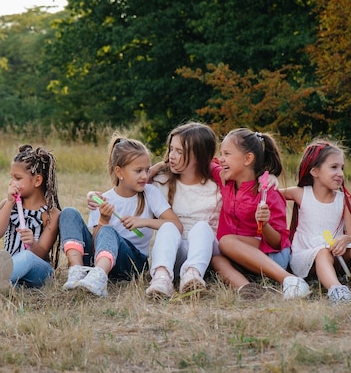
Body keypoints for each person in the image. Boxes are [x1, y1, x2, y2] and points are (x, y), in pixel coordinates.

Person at [60, 135, 183, 296]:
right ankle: (77, 271)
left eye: (147, 170)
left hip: (132, 262)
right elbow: (96, 244)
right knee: (69, 213)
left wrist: (143, 221)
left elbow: (176, 225)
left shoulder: (150, 193)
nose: (145, 176)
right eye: (138, 171)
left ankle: (99, 277)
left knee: (109, 232)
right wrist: (104, 219)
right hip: (100, 259)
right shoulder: (104, 200)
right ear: (119, 171)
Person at [210, 128, 310, 299]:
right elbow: (203, 160)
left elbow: (278, 242)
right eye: (221, 153)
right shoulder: (225, 179)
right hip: (241, 254)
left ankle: (291, 280)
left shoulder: (268, 192)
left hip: (272, 255)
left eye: (227, 153)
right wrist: (160, 165)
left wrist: (264, 225)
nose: (221, 159)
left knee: (225, 242)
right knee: (216, 259)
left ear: (248, 159)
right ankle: (248, 289)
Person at [283, 140, 351, 304]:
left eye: (342, 168)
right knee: (322, 252)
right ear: (314, 171)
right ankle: (336, 290)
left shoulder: (344, 200)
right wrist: (269, 179)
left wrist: (345, 239)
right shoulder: (301, 194)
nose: (340, 173)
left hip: (336, 253)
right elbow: (270, 194)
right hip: (307, 254)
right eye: (334, 167)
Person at [143, 122, 221, 298]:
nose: (172, 156)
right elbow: (131, 186)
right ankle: (161, 278)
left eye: (179, 152)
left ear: (199, 157)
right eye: (171, 149)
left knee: (202, 227)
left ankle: (192, 275)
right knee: (168, 226)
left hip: (203, 255)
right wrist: (154, 169)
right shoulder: (160, 181)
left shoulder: (215, 188)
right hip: (173, 253)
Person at [0, 145, 61, 292]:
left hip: (38, 270)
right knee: (10, 277)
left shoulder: (51, 214)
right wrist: (10, 203)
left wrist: (32, 243)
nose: (12, 182)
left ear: (37, 180)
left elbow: (42, 253)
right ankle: (4, 284)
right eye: (11, 177)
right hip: (10, 268)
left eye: (17, 178)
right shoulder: (7, 206)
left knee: (27, 257)